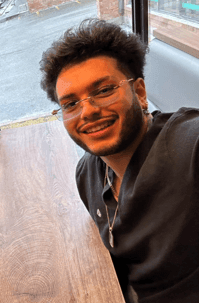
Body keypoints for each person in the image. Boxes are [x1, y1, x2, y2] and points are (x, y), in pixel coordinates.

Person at [40, 18, 199, 303]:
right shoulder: (87, 174)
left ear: (139, 92)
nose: (87, 111)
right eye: (70, 104)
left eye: (103, 91)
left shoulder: (189, 146)